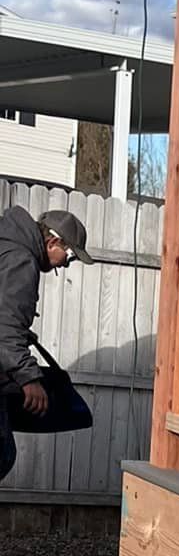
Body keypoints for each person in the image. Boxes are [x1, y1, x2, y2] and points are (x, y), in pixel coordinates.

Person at [0, 205, 92, 481]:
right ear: (52, 241)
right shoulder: (21, 261)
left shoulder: (6, 245)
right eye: (70, 255)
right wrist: (29, 379)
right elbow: (4, 328)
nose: (65, 264)